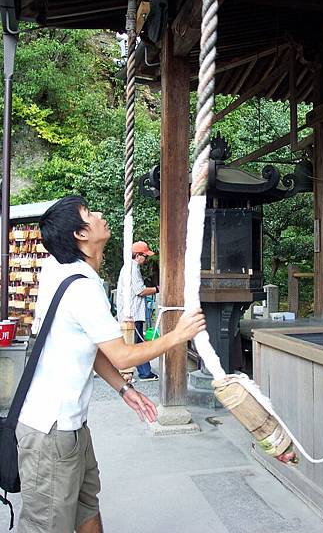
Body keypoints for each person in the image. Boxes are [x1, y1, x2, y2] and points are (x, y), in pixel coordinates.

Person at [16, 196, 205, 533]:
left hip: (70, 427)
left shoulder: (56, 268)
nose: (100, 215)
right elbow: (121, 355)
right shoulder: (83, 288)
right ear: (80, 235)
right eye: (89, 214)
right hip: (50, 431)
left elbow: (92, 348)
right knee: (46, 526)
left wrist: (123, 387)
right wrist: (178, 336)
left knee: (87, 506)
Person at [116, 241, 159, 381]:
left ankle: (142, 371)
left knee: (134, 343)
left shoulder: (129, 267)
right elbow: (140, 291)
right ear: (137, 255)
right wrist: (157, 289)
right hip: (133, 313)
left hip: (130, 312)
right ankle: (143, 373)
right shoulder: (132, 269)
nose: (146, 260)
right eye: (145, 256)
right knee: (137, 343)